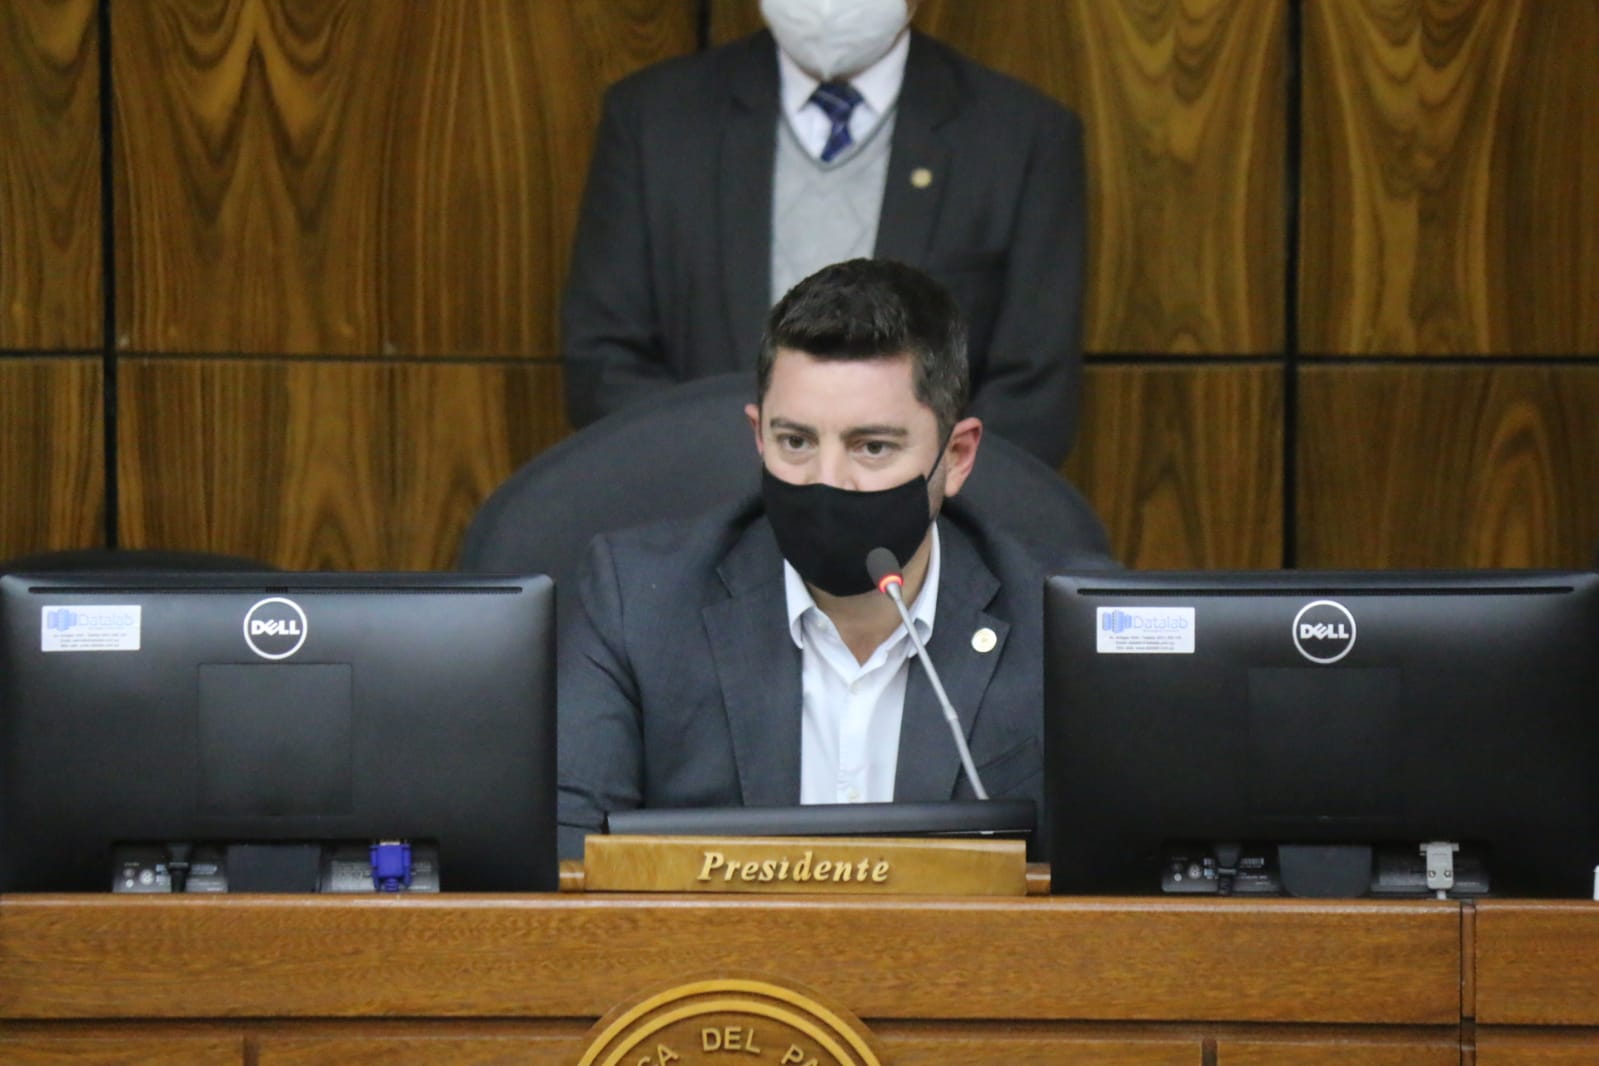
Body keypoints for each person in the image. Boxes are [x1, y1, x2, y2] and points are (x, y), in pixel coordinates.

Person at [557, 259, 1112, 859]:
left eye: (871, 447)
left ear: (956, 456)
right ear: (758, 436)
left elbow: (1122, 889)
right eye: (795, 442)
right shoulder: (635, 600)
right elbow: (567, 865)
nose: (827, 482)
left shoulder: (1067, 627)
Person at [561, 0, 1086, 466]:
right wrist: (753, 474)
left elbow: (1031, 393)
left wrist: (906, 495)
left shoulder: (1022, 136)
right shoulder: (654, 119)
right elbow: (605, 362)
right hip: (692, 514)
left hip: (929, 536)